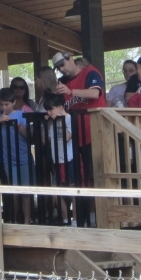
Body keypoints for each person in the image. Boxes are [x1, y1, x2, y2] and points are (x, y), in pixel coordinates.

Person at [53, 51, 105, 200]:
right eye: (58, 68)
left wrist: (71, 91)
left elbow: (95, 93)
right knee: (80, 178)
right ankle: (85, 215)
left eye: (62, 65)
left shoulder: (90, 72)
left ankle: (99, 214)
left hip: (94, 133)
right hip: (75, 135)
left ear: (70, 59)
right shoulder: (63, 82)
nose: (61, 69)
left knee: (96, 174)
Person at [0, 87, 32, 222]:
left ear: (13, 102)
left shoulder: (21, 115)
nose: (4, 107)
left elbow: (29, 136)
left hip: (24, 157)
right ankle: (14, 221)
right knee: (14, 192)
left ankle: (26, 222)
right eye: (1, 104)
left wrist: (17, 126)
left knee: (26, 192)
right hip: (7, 159)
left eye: (7, 104)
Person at [43, 91, 75, 224]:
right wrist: (45, 124)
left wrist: (59, 121)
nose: (49, 113)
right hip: (57, 160)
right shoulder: (51, 122)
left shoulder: (68, 119)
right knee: (57, 191)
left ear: (60, 106)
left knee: (73, 191)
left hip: (69, 160)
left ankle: (75, 221)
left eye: (51, 109)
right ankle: (65, 219)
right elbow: (46, 140)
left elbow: (68, 137)